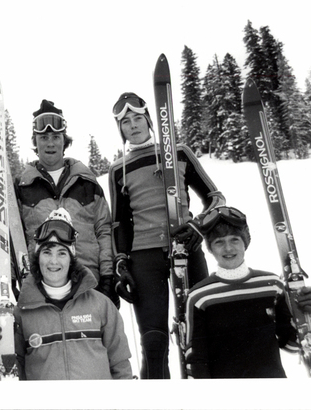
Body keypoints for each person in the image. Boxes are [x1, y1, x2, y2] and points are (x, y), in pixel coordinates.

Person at [108, 92, 226, 379]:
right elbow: (119, 222)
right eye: (126, 122)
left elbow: (216, 198)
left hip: (187, 246)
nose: (133, 125)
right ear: (120, 130)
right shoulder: (117, 170)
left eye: (137, 118)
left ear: (149, 120)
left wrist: (198, 226)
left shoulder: (179, 152)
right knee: (153, 339)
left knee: (202, 328)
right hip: (144, 255)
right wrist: (121, 263)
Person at [0, 208, 133, 380]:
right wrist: (0, 350)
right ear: (38, 257)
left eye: (62, 253)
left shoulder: (101, 305)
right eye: (47, 252)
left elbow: (120, 365)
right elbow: (15, 375)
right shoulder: (22, 313)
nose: (53, 261)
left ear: (71, 258)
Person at [185, 206, 311, 378]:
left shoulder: (271, 285)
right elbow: (196, 358)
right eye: (219, 242)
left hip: (271, 390)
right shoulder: (199, 296)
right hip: (224, 396)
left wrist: (309, 319)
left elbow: (291, 345)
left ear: (245, 243)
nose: (228, 248)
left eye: (235, 240)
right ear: (211, 249)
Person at [15, 99, 118, 307]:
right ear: (35, 142)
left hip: (89, 282)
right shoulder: (22, 187)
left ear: (65, 140)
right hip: (43, 284)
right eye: (43, 137)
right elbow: (14, 238)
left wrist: (108, 276)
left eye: (56, 137)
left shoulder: (87, 182)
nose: (50, 143)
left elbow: (103, 230)